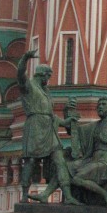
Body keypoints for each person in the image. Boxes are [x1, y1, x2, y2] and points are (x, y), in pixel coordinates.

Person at [17, 49, 78, 204]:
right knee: (31, 161)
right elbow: (20, 74)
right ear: (41, 75)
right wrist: (25, 58)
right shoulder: (29, 87)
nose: (48, 80)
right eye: (48, 76)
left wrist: (66, 122)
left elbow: (51, 115)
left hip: (49, 129)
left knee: (60, 161)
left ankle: (68, 196)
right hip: (35, 127)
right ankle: (24, 194)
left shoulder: (46, 92)